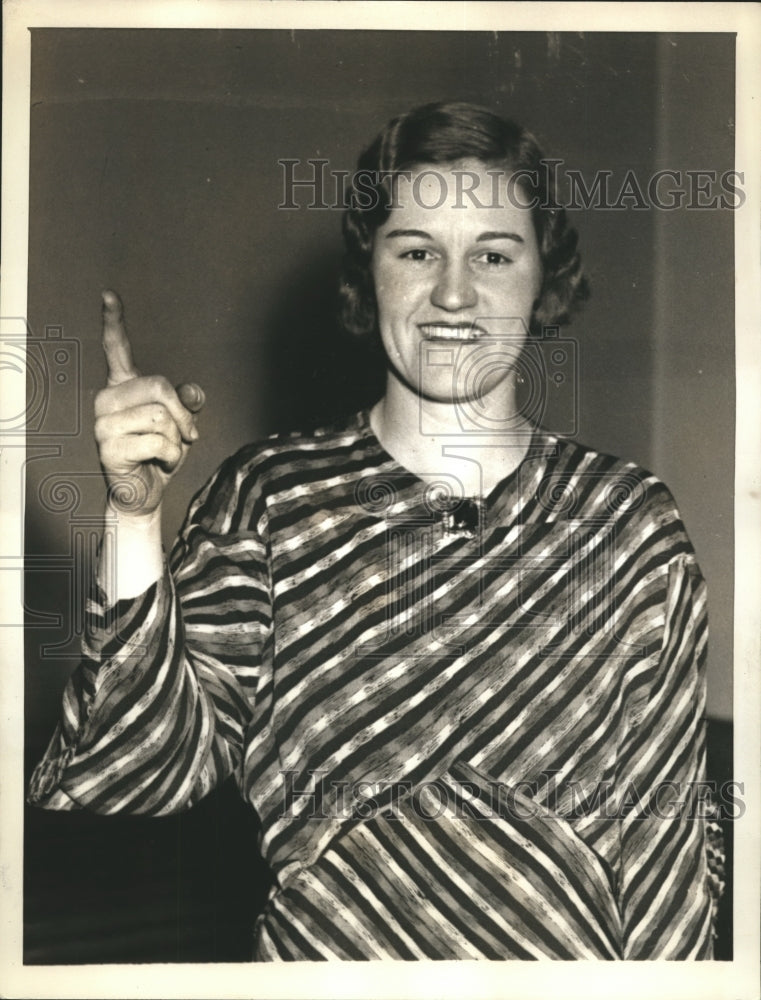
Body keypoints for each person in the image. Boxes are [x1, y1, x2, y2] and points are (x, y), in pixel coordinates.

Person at [28, 101, 724, 960]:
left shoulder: (628, 527)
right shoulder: (270, 499)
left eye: (494, 254)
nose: (455, 292)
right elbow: (128, 775)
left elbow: (671, 878)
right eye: (417, 250)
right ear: (371, 271)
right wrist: (134, 516)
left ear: (543, 277)